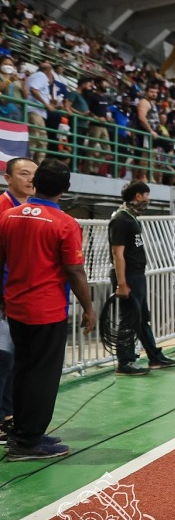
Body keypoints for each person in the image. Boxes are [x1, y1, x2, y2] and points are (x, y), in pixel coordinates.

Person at [0, 158, 96, 460]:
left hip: (16, 308)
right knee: (42, 376)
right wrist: (89, 308)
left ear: (36, 182)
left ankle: (24, 430)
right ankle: (29, 442)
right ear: (65, 190)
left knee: (23, 370)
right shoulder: (66, 224)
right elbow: (75, 271)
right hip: (47, 311)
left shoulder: (8, 216)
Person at [109, 181, 175, 375]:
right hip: (128, 276)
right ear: (139, 196)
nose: (148, 199)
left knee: (141, 318)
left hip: (136, 275)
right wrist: (122, 283)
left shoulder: (131, 217)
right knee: (129, 319)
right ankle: (125, 362)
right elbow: (117, 253)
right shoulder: (121, 219)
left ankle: (154, 356)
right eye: (146, 195)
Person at [0, 156, 38, 439]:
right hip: (5, 297)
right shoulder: (4, 209)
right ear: (7, 178)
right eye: (23, 174)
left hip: (21, 297)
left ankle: (10, 415)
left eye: (33, 175)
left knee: (16, 359)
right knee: (5, 357)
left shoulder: (31, 210)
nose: (30, 180)